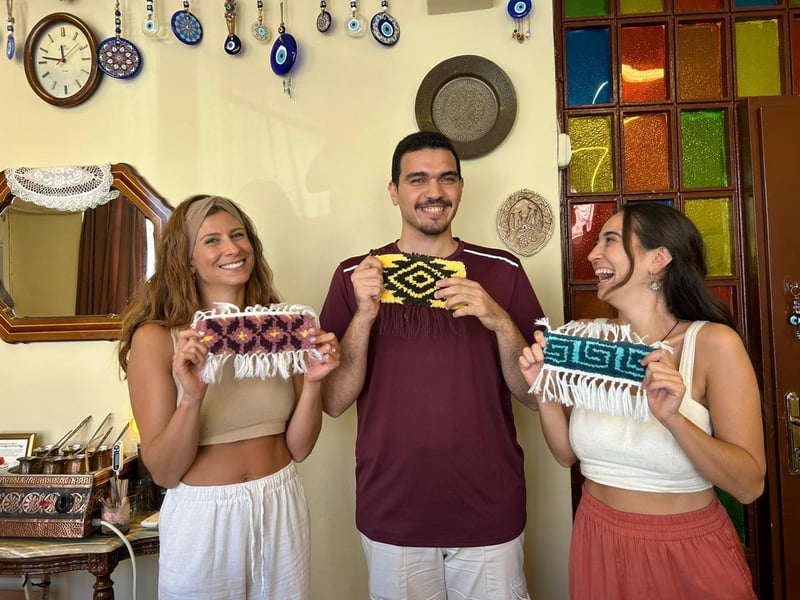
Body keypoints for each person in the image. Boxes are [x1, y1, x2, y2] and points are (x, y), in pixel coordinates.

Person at [319, 131, 544, 599]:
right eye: (417, 179)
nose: (433, 192)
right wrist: (363, 315)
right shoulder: (352, 276)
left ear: (461, 188)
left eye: (446, 178)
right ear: (394, 191)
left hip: (489, 509)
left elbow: (536, 396)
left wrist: (499, 320)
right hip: (393, 511)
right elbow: (333, 401)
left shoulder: (502, 270)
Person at [519, 202, 765, 599]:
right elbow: (567, 457)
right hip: (596, 540)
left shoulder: (713, 345)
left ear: (659, 259)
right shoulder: (587, 340)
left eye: (610, 241)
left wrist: (673, 419)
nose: (593, 254)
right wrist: (544, 389)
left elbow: (749, 485)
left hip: (684, 550)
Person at [117, 195, 340, 600]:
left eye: (238, 235)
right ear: (185, 258)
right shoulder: (158, 339)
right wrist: (192, 398)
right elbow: (165, 473)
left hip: (281, 501)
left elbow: (300, 448)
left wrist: (313, 383)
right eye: (212, 240)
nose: (232, 248)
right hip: (205, 517)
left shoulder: (278, 328)